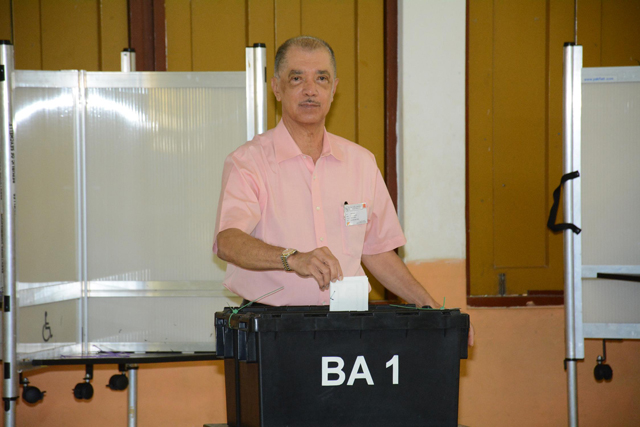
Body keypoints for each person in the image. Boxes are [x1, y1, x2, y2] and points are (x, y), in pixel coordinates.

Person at [214, 36, 473, 346]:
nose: (310, 90)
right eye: (297, 78)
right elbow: (228, 241)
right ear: (276, 88)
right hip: (272, 332)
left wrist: (433, 311)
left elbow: (376, 250)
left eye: (321, 78)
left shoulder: (361, 163)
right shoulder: (248, 162)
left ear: (334, 89)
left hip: (349, 328)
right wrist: (292, 259)